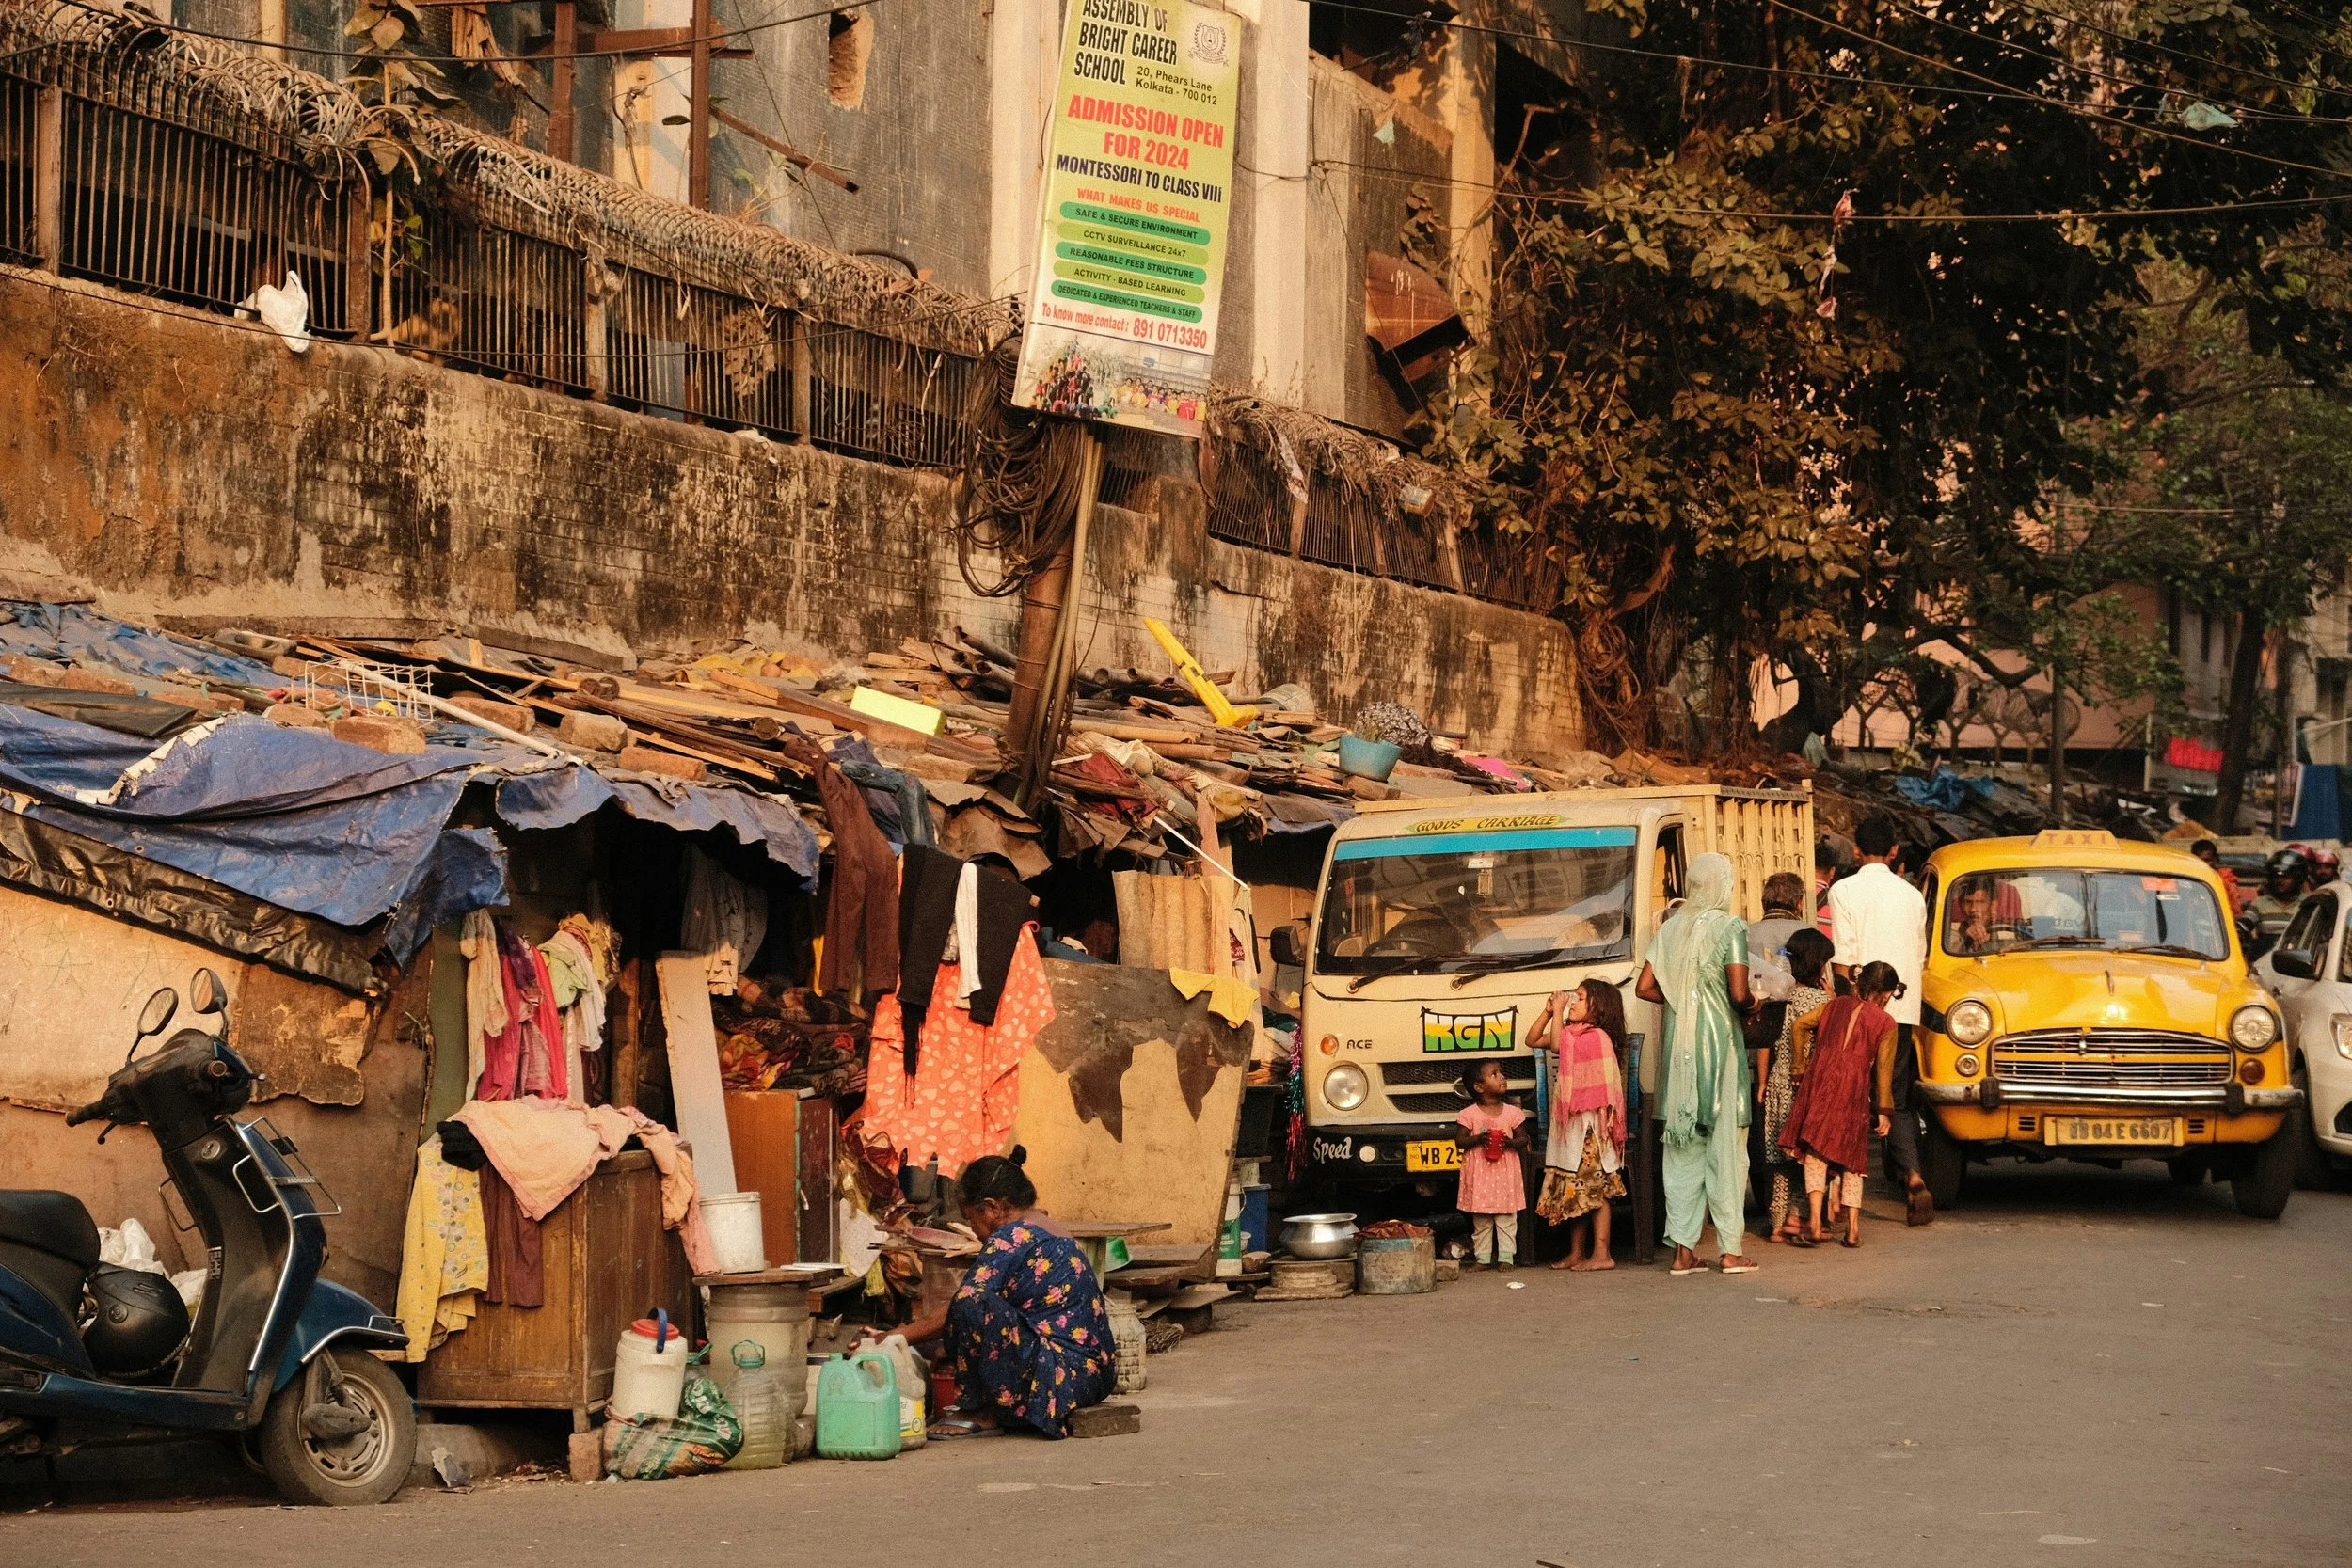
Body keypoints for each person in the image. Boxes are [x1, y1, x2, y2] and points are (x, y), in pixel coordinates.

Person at [876, 1148, 1113, 1440]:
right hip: (1093, 1377)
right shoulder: (1048, 1227)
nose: (973, 1230)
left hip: (1061, 1378)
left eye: (970, 1218)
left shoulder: (1012, 1236)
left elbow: (966, 1304)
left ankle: (980, 1411)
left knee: (971, 1303)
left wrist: (894, 1337)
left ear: (992, 1208)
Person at [1635, 851, 1757, 1276]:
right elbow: (1739, 994)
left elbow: (1644, 987)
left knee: (1682, 1156)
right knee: (1727, 1153)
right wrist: (1754, 1004)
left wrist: (1681, 1002)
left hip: (1679, 1060)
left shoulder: (1670, 929)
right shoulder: (1730, 927)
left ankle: (1683, 1253)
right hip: (1720, 1053)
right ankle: (1730, 1251)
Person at [1827, 815, 1933, 1226]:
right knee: (1897, 1098)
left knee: (1852, 1095)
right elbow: (1919, 954)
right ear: (1893, 852)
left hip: (1860, 1009)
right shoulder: (1913, 896)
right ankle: (1913, 1175)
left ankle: (1838, 1193)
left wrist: (1845, 1007)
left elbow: (1844, 959)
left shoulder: (1843, 891)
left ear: (1856, 851)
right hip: (1901, 1013)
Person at [1778, 962, 1903, 1248]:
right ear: (1886, 994)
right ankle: (1853, 1230)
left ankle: (1813, 1222)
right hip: (1854, 1088)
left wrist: (1799, 1068)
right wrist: (1884, 1112)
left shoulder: (1835, 1005)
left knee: (1816, 1151)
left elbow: (1799, 1025)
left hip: (1820, 1080)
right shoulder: (1886, 1024)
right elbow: (1884, 1072)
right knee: (1853, 1157)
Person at [1529, 980, 1628, 1271]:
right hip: (1574, 1129)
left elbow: (1555, 1044)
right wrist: (1549, 1012)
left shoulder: (1596, 1037)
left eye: (1580, 998)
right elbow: (1532, 1040)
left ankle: (1602, 1254)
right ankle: (1576, 1253)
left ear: (1598, 1008)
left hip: (1592, 1130)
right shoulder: (1572, 1034)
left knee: (1596, 1191)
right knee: (1577, 1189)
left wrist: (1559, 1011)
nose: (1573, 1002)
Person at [1762, 928, 1835, 1243]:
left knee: (1780, 1158)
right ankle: (1798, 1215)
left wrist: (1762, 1082)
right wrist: (1834, 1000)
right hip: (1806, 1086)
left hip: (1779, 1080)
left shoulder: (1780, 997)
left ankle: (1777, 1224)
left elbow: (1766, 1042)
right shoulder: (1822, 1001)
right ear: (1818, 964)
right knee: (1806, 1155)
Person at [1454, 1057, 1532, 1269]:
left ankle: (1506, 1258)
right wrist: (1479, 1138)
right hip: (1480, 1177)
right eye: (1494, 1074)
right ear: (1479, 1087)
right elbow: (1459, 1141)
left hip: (1505, 1175)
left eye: (1501, 1072)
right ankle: (1483, 1258)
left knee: (1506, 1218)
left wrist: (1509, 1143)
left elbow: (1523, 1139)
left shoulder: (1513, 1113)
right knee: (1481, 1219)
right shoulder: (1468, 1114)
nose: (1502, 1077)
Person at [2249, 848, 2310, 944]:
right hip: (2264, 953)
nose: (2279, 881)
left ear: (2298, 878)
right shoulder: (2259, 903)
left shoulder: (2308, 904)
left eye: (2285, 877)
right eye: (2276, 877)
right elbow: (2245, 924)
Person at [2189, 840, 2248, 915]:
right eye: (2199, 860)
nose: (2203, 864)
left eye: (2207, 860)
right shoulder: (2186, 880)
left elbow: (2235, 911)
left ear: (2216, 860)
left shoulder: (2225, 881)